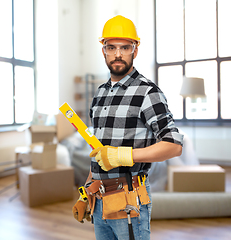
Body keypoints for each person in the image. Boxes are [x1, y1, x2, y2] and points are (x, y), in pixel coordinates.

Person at [72, 15, 183, 240]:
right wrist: (86, 193)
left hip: (130, 202)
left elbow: (174, 145)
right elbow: (98, 152)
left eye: (125, 47)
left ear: (135, 50)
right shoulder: (100, 94)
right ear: (103, 50)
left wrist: (124, 155)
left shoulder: (148, 93)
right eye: (111, 47)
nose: (118, 54)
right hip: (99, 200)